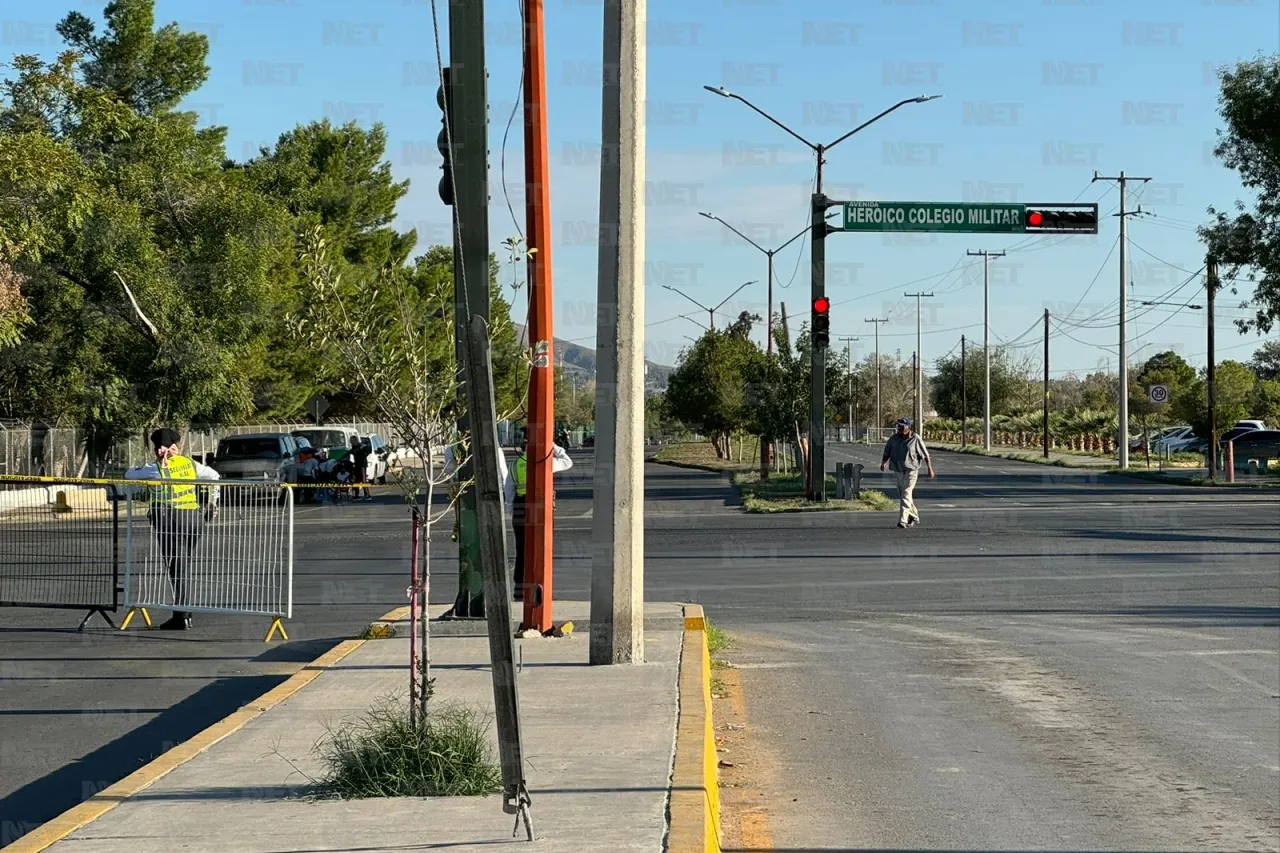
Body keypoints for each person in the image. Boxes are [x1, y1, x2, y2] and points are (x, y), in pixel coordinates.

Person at [124, 428, 221, 630]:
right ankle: (184, 612)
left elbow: (128, 474)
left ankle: (182, 615)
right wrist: (212, 503)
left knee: (178, 568)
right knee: (182, 565)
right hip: (194, 520)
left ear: (158, 448)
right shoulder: (189, 463)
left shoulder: (155, 469)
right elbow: (214, 476)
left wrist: (147, 464)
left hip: (169, 521)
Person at [503, 427, 574, 601]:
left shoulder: (514, 464)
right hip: (540, 506)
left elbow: (509, 491)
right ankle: (541, 589)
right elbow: (567, 461)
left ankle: (520, 590)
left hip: (520, 508)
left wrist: (512, 510)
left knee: (522, 549)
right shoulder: (545, 460)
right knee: (541, 547)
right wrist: (553, 445)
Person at [880, 417, 935, 529]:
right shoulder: (894, 438)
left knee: (906, 493)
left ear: (908, 427)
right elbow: (887, 451)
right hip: (898, 469)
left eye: (901, 426)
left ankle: (903, 520)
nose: (899, 428)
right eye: (898, 425)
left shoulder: (915, 438)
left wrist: (930, 468)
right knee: (904, 495)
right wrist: (884, 463)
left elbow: (925, 454)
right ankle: (913, 515)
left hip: (911, 470)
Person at [348, 436, 373, 501]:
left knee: (363, 480)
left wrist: (362, 452)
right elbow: (350, 453)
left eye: (352, 440)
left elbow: (367, 451)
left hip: (362, 465)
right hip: (357, 465)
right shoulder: (353, 447)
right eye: (350, 441)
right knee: (356, 480)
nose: (351, 442)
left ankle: (367, 495)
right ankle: (356, 495)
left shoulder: (362, 446)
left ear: (355, 440)